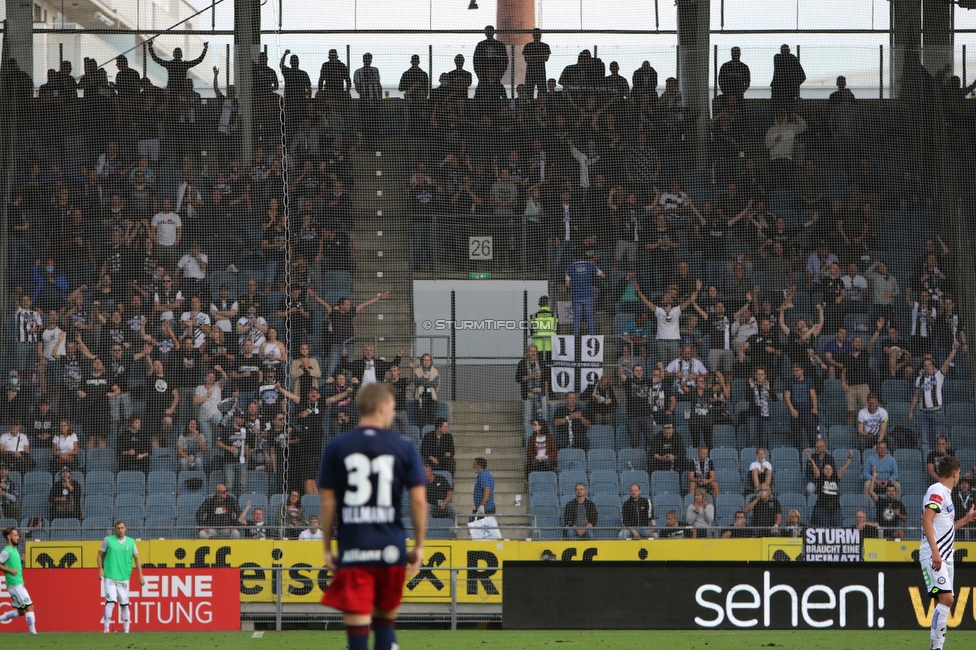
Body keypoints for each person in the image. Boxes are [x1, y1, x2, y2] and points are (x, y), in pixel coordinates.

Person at [317, 383, 427, 650]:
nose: (393, 413)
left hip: (354, 549)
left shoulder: (337, 446)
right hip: (390, 548)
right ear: (381, 407)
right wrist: (420, 546)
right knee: (385, 626)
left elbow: (328, 503)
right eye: (392, 407)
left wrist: (328, 548)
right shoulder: (404, 446)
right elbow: (419, 501)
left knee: (357, 634)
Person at [921, 456, 976, 650]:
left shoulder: (945, 494)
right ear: (954, 474)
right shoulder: (937, 490)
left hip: (945, 556)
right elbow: (926, 521)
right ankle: (935, 649)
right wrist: (935, 552)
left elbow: (945, 528)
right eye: (958, 474)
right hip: (935, 555)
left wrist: (966, 519)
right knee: (947, 599)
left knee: (941, 602)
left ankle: (937, 647)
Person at [98, 521, 145, 634]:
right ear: (115, 529)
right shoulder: (108, 540)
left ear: (125, 528)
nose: (120, 530)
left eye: (122, 528)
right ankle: (106, 629)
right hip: (110, 576)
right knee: (110, 602)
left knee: (124, 604)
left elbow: (137, 558)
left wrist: (141, 575)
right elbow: (100, 554)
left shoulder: (130, 542)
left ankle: (126, 631)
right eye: (118, 528)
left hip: (124, 577)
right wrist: (100, 569)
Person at [909, 341, 959, 449]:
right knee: (925, 439)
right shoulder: (919, 379)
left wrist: (954, 349)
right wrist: (911, 411)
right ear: (923, 367)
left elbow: (947, 361)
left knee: (938, 438)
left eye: (929, 365)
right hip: (923, 413)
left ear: (933, 366)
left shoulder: (938, 375)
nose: (927, 367)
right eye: (925, 366)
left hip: (937, 412)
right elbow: (916, 395)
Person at [0, 527, 37, 633]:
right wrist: (10, 570)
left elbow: (14, 564)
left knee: (21, 611)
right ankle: (33, 633)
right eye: (15, 535)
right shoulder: (6, 551)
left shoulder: (14, 549)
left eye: (17, 535)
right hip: (14, 584)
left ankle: (1, 618)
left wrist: (21, 561)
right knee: (30, 606)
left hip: (18, 584)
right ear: (9, 537)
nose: (18, 537)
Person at [808, 450, 854, 527]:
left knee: (837, 528)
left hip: (835, 508)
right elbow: (815, 469)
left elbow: (844, 468)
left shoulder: (836, 478)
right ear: (823, 470)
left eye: (830, 469)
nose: (828, 470)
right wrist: (811, 459)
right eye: (826, 469)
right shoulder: (820, 478)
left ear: (832, 470)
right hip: (822, 508)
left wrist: (849, 458)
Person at [868, 475, 907, 539]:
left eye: (893, 491)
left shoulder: (899, 503)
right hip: (881, 529)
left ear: (895, 492)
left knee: (901, 533)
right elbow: (870, 492)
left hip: (893, 530)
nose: (891, 493)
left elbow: (905, 519)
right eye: (889, 491)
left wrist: (898, 514)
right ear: (886, 492)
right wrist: (874, 477)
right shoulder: (880, 501)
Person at [770, 44, 805, 109]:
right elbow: (802, 76)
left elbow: (802, 76)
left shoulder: (781, 58)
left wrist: (793, 85)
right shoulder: (780, 58)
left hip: (782, 92)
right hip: (784, 92)